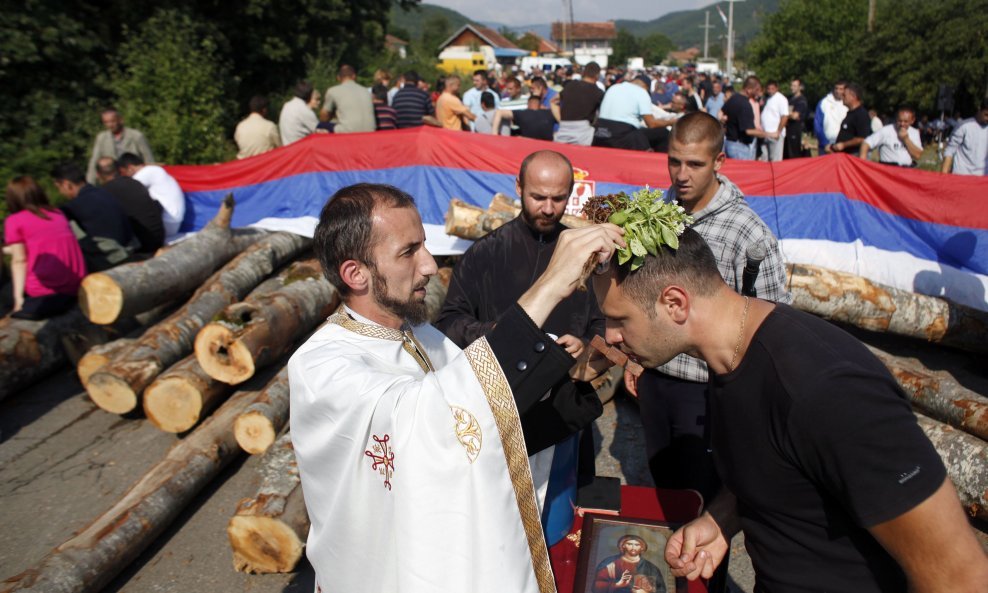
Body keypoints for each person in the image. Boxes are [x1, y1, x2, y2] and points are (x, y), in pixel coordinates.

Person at [575, 227, 988, 591]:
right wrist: (721, 518)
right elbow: (785, 468)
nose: (610, 337)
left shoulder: (826, 391)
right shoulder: (728, 356)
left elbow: (959, 576)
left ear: (675, 303)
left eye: (618, 319)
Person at [288, 182, 622, 593]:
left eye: (424, 246)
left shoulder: (424, 336)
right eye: (409, 252)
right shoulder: (320, 366)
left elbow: (480, 428)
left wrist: (570, 381)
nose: (429, 265)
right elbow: (431, 421)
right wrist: (550, 285)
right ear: (355, 274)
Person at [435, 150, 606, 544]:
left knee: (554, 524)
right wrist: (499, 331)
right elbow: (448, 323)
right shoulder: (485, 253)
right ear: (518, 188)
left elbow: (602, 323)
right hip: (496, 406)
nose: (548, 208)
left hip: (560, 408)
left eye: (558, 198)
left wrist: (582, 344)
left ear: (572, 194)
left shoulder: (585, 256)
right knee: (496, 525)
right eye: (537, 197)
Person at [634, 111, 791, 507]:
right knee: (663, 495)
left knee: (702, 503)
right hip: (654, 382)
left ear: (719, 162)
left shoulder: (748, 234)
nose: (681, 174)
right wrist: (632, 356)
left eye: (695, 164)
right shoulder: (655, 213)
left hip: (707, 390)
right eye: (674, 161)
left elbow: (773, 324)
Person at [3, 176, 86, 319]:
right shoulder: (57, 213)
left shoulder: (14, 221)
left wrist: (18, 300)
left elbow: (19, 260)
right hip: (76, 286)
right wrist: (5, 250)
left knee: (4, 296)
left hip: (46, 292)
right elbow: (39, 247)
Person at [51, 162, 135, 272]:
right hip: (130, 249)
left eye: (59, 188)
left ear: (67, 184)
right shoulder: (103, 192)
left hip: (112, 259)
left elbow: (51, 221)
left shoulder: (75, 205)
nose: (61, 193)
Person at [95, 157, 165, 254]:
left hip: (142, 246)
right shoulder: (135, 183)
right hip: (159, 237)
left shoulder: (103, 193)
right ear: (119, 170)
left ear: (98, 175)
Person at [594, 75, 677, 152]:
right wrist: (672, 122)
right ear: (646, 87)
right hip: (621, 135)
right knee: (663, 133)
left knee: (640, 134)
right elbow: (651, 124)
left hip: (600, 131)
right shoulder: (641, 92)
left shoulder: (614, 87)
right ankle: (659, 163)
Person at [117, 152, 185, 238]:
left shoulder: (148, 172)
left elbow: (126, 190)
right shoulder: (154, 170)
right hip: (171, 220)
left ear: (130, 168)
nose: (124, 177)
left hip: (167, 221)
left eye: (123, 173)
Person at [85, 108, 155, 186]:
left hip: (135, 180)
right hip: (113, 182)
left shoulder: (136, 136)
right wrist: (89, 186)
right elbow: (94, 162)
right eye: (106, 122)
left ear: (120, 120)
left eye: (112, 121)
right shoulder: (101, 138)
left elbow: (149, 160)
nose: (110, 125)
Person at [721, 76, 778, 160]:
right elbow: (749, 130)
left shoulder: (733, 98)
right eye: (757, 90)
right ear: (749, 89)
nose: (758, 93)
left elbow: (720, 113)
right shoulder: (745, 105)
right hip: (739, 147)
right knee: (742, 172)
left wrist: (724, 120)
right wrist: (771, 134)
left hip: (729, 143)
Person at [592, 535, 665, 593]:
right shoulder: (609, 563)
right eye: (629, 544)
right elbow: (596, 587)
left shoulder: (651, 568)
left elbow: (661, 590)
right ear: (623, 545)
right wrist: (617, 584)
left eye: (637, 545)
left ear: (642, 547)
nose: (633, 547)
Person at [555, 61, 604, 146]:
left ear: (583, 73)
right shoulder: (598, 92)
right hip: (583, 132)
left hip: (564, 128)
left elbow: (554, 102)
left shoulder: (570, 85)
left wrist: (560, 120)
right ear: (597, 75)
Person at [320, 65, 376, 134]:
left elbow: (324, 116)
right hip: (370, 132)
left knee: (321, 125)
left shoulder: (332, 91)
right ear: (354, 76)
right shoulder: (366, 91)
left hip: (348, 132)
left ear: (338, 78)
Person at [941, 100, 988, 175]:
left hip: (982, 180)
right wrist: (943, 176)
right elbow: (949, 151)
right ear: (979, 110)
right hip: (961, 177)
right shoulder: (964, 126)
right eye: (986, 115)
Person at [825, 83, 870, 156]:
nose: (842, 97)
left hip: (853, 155)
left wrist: (844, 145)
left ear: (853, 96)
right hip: (842, 155)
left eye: (844, 95)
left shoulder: (861, 114)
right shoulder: (850, 113)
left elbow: (862, 138)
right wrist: (833, 147)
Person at [492, 94, 557, 141]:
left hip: (528, 146)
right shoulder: (550, 113)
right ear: (540, 105)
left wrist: (494, 136)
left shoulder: (522, 113)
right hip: (548, 147)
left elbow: (499, 112)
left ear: (528, 104)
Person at [814, 80, 848, 154]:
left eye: (841, 89)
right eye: (836, 88)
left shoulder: (848, 104)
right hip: (826, 146)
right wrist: (825, 143)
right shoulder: (824, 102)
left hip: (843, 145)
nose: (838, 91)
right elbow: (818, 125)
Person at [759, 81, 789, 162]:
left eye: (772, 88)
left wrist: (778, 132)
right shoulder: (766, 98)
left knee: (775, 160)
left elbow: (785, 116)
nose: (770, 90)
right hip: (765, 134)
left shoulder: (781, 99)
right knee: (764, 159)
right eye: (768, 88)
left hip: (775, 134)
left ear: (776, 88)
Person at [784, 79, 809, 159]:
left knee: (795, 154)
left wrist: (785, 115)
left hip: (797, 130)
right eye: (791, 85)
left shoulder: (801, 100)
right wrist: (789, 114)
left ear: (800, 87)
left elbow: (795, 116)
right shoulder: (789, 99)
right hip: (788, 130)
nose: (792, 88)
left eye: (794, 86)